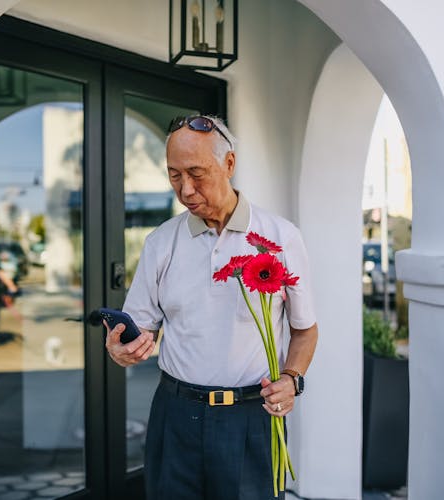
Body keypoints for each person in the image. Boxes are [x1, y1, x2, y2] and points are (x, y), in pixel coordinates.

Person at [105, 115, 318, 500]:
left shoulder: (280, 237)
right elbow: (139, 328)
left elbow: (305, 329)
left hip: (251, 418)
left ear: (229, 164)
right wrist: (123, 347)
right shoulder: (161, 242)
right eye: (174, 176)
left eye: (196, 173)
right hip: (174, 414)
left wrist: (292, 378)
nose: (185, 189)